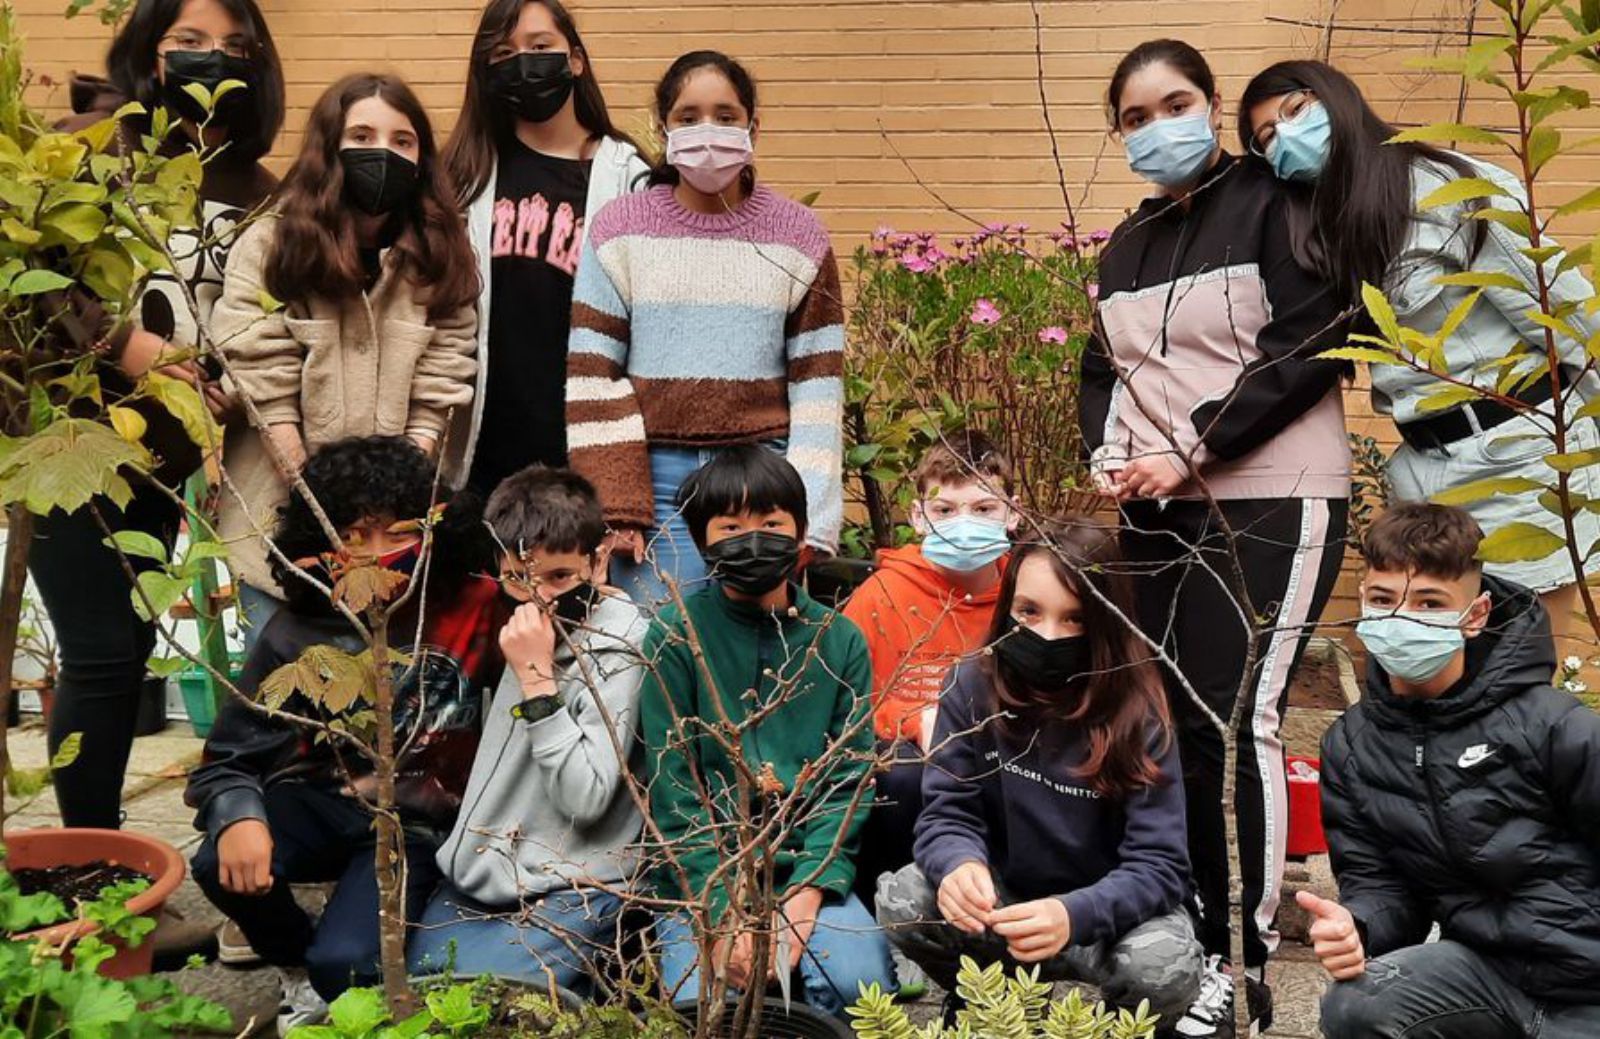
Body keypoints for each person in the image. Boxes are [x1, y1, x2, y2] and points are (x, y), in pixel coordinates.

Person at [1078, 39, 1351, 1038]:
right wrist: (1107, 454)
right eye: (1135, 116)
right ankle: (1188, 936)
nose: (1157, 127)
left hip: (1272, 497)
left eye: (1176, 102)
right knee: (1177, 727)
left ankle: (1238, 968)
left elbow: (1315, 337)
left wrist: (1193, 445)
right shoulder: (1125, 244)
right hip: (1156, 510)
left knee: (1238, 724)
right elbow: (1100, 372)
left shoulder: (1273, 205)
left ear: (1212, 104)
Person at [1239, 60, 1600, 662]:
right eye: (1266, 138)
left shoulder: (1446, 188)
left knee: (1526, 667)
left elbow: (1570, 324)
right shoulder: (1327, 227)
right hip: (1423, 472)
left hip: (1521, 465)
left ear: (1337, 98)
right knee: (1434, 669)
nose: (1284, 137)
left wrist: (1584, 447)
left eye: (1295, 111)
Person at [32, 0, 283, 830]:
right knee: (103, 655)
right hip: (79, 441)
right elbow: (30, 271)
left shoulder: (257, 185)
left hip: (184, 456)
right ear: (150, 51)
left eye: (234, 46)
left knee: (128, 651)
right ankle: (89, 866)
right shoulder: (92, 148)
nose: (215, 59)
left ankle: (100, 866)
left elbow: (263, 316)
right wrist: (122, 342)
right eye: (191, 43)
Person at [186, 437, 502, 1032]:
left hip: (420, 817)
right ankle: (292, 962)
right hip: (323, 799)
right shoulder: (298, 627)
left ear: (436, 530)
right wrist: (237, 815)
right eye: (353, 536)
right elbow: (227, 756)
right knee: (214, 862)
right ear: (318, 545)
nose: (377, 556)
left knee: (349, 969)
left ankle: (334, 955)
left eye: (399, 533)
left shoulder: (478, 604)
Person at [876, 516, 1203, 1025]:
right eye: (1028, 611)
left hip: (1106, 916)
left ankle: (1116, 1032)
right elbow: (946, 813)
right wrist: (959, 865)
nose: (1048, 635)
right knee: (905, 896)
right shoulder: (969, 684)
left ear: (1107, 623)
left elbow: (1160, 865)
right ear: (1006, 607)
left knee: (1164, 965)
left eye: (1074, 619)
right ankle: (991, 1001)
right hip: (1003, 908)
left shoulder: (1138, 709)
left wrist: (1075, 914)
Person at [1309, 502, 1600, 1039]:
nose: (1401, 619)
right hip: (1483, 973)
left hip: (1589, 984)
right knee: (1356, 1007)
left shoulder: (1554, 727)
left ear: (1476, 614)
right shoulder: (1351, 746)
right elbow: (1383, 887)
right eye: (1381, 599)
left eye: (1428, 603)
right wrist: (1358, 925)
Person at [565, 51, 845, 608]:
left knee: (760, 653)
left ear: (753, 127)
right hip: (654, 480)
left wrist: (809, 511)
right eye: (688, 117)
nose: (707, 130)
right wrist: (617, 506)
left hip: (764, 477)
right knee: (657, 648)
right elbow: (593, 372)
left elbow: (818, 385)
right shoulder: (620, 228)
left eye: (725, 114)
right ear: (664, 128)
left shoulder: (799, 234)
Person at [212, 72, 479, 648]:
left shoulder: (441, 252)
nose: (382, 152)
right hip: (279, 528)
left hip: (401, 539)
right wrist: (316, 500)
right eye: (361, 135)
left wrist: (394, 505)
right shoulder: (270, 241)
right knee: (288, 709)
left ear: (421, 155)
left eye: (402, 141)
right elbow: (258, 373)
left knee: (386, 711)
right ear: (329, 147)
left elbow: (445, 375)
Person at [639, 446, 894, 1019]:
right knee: (698, 1006)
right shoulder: (675, 636)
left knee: (861, 990)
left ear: (801, 532)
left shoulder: (838, 640)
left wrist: (808, 893)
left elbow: (848, 777)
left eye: (772, 524)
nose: (753, 540)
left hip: (803, 866)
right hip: (704, 876)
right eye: (731, 526)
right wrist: (721, 909)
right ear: (703, 542)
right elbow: (673, 785)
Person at [408, 466, 648, 993]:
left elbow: (586, 797)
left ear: (598, 557)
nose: (538, 595)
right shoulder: (516, 624)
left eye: (559, 577)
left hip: (573, 882)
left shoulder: (623, 650)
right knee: (426, 992)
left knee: (507, 1003)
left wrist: (539, 681)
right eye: (519, 577)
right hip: (483, 870)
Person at [444, 0, 649, 495]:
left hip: (585, 452)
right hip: (480, 455)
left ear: (575, 59)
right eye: (502, 53)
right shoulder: (463, 174)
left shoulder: (628, 177)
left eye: (540, 47)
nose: (523, 63)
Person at [841, 430, 1015, 907]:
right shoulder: (880, 596)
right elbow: (847, 702)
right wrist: (916, 720)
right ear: (919, 517)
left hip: (1002, 752)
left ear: (1012, 512)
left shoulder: (1025, 598)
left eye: (983, 509)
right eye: (945, 510)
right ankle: (895, 900)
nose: (964, 523)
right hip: (913, 763)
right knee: (899, 773)